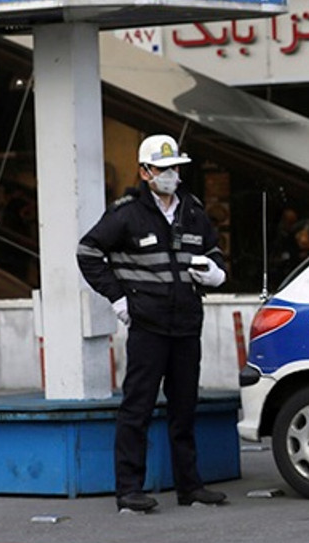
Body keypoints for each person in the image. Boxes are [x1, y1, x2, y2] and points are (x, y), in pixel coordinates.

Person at [77, 134, 229, 512]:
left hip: (186, 324)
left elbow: (214, 253)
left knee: (184, 408)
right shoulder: (126, 213)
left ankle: (190, 487)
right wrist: (117, 296)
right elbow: (88, 251)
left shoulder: (192, 210)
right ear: (144, 172)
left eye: (175, 168)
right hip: (148, 324)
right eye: (162, 169)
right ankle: (129, 490)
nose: (170, 175)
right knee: (137, 408)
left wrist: (216, 273)